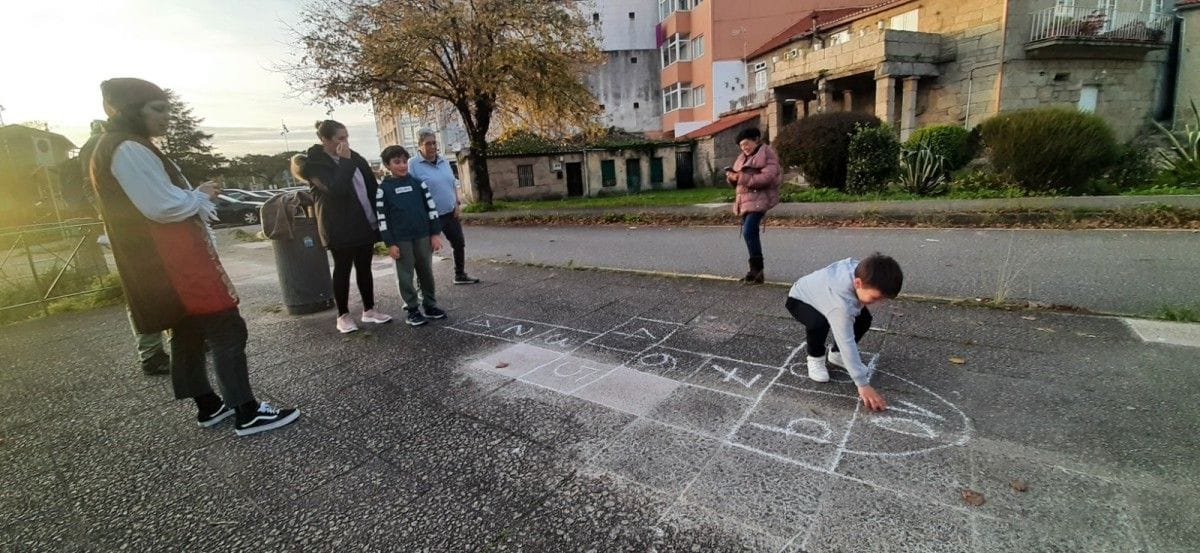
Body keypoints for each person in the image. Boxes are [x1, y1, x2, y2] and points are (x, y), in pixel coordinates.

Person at [88, 77, 298, 436]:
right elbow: (161, 206)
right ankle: (246, 411)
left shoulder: (115, 146)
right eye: (157, 110)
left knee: (186, 331)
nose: (165, 117)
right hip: (175, 259)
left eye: (168, 109)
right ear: (126, 109)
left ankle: (207, 404)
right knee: (226, 328)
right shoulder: (127, 147)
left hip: (161, 261)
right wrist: (198, 195)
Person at [81, 119, 171, 376]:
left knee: (151, 289)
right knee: (145, 290)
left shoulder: (102, 147)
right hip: (132, 230)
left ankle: (165, 344)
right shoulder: (109, 147)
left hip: (128, 227)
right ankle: (152, 352)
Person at [298, 120, 392, 333]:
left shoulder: (355, 157)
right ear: (324, 140)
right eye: (340, 138)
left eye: (347, 137)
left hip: (364, 223)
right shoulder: (315, 165)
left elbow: (370, 186)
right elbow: (336, 189)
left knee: (364, 268)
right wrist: (344, 161)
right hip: (339, 227)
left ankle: (369, 310)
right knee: (342, 269)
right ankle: (343, 316)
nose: (345, 142)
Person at [784, 253, 904, 412]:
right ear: (858, 282)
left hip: (824, 294)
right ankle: (815, 358)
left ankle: (836, 354)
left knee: (864, 318)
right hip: (800, 299)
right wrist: (862, 384)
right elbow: (845, 340)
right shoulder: (841, 306)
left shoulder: (862, 270)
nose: (878, 303)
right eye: (875, 298)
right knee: (818, 323)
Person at [375, 145, 447, 327]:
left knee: (426, 272)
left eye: (404, 161)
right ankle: (412, 309)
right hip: (401, 239)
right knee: (405, 275)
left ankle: (430, 305)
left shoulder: (418, 184)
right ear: (387, 165)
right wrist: (390, 243)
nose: (402, 166)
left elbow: (431, 208)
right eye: (396, 162)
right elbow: (382, 218)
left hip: (423, 236)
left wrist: (435, 233)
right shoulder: (384, 189)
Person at [408, 128, 479, 285]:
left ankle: (460, 275)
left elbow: (452, 183)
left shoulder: (444, 161)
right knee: (425, 252)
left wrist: (456, 203)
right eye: (428, 144)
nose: (432, 147)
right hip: (430, 217)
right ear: (419, 145)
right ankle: (422, 285)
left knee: (458, 243)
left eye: (434, 143)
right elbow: (411, 192)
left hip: (450, 213)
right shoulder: (413, 164)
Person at [725, 127, 781, 285]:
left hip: (760, 199)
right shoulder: (742, 157)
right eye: (741, 146)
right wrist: (731, 177)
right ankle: (756, 272)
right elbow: (738, 180)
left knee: (749, 231)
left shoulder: (767, 153)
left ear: (756, 139)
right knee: (749, 234)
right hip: (744, 201)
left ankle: (757, 270)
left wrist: (740, 177)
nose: (744, 148)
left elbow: (768, 177)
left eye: (746, 144)